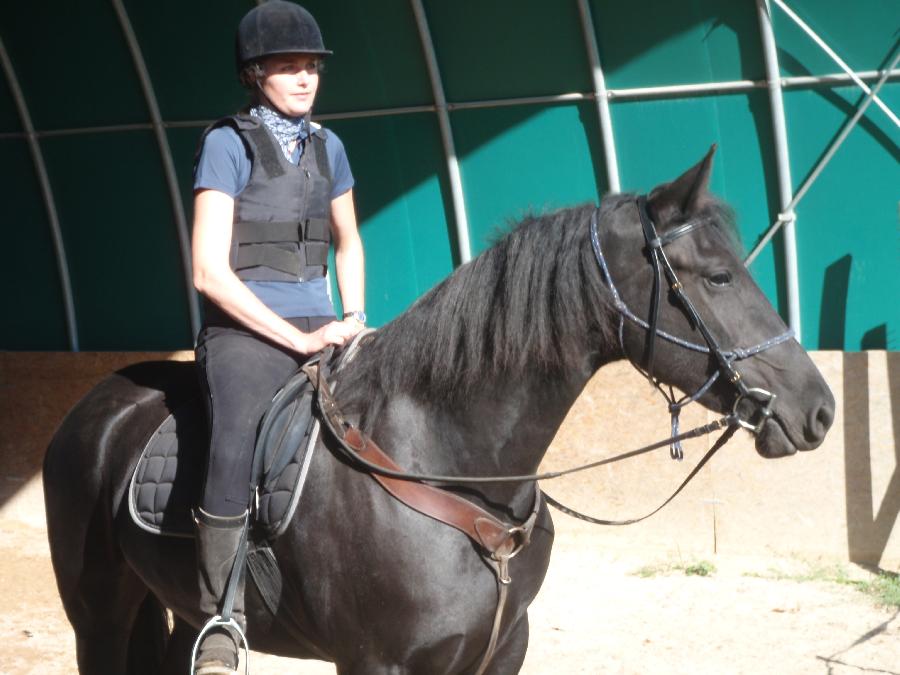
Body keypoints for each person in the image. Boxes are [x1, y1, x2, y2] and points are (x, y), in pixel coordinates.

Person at [190, 2, 365, 672]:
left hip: (323, 324)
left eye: (311, 67)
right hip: (243, 331)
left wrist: (352, 315)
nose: (303, 78)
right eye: (288, 67)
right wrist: (295, 339)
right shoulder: (226, 144)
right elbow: (209, 269)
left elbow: (348, 240)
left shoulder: (330, 147)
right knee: (236, 432)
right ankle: (219, 618)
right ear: (254, 72)